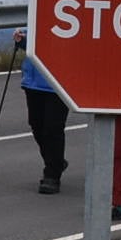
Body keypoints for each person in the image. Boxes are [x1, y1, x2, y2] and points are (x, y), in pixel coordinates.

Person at [15, 28, 72, 194]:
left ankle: (52, 174)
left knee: (53, 128)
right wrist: (22, 38)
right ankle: (55, 161)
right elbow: (34, 30)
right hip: (33, 79)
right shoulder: (40, 6)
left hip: (58, 80)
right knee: (37, 125)